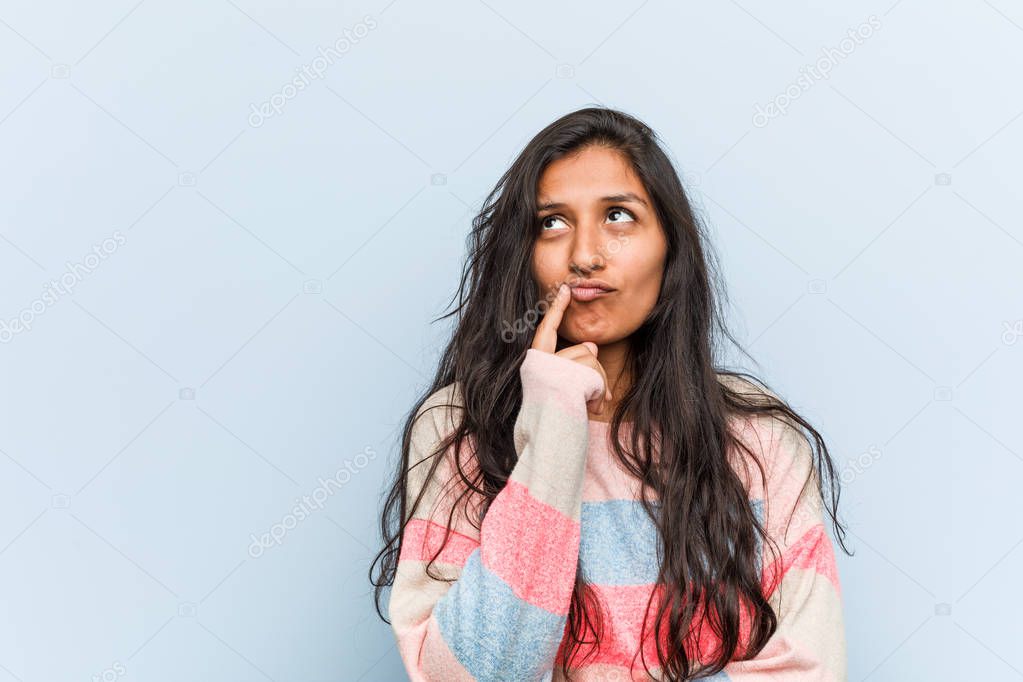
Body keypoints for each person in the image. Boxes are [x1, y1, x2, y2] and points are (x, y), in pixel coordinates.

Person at [370, 106, 850, 681]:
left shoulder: (759, 440)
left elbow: (807, 671)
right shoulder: (457, 428)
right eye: (552, 222)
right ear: (522, 254)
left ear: (670, 246)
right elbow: (475, 675)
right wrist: (552, 426)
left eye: (618, 216)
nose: (584, 255)